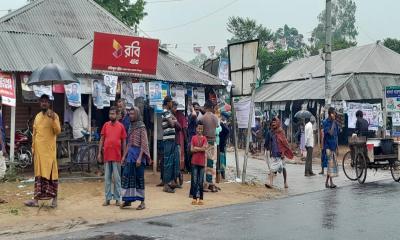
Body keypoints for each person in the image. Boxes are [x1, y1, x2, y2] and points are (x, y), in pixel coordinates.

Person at [24, 94, 61, 208]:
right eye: (42, 101)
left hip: (49, 153)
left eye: (46, 101)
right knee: (38, 177)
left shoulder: (54, 116)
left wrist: (53, 118)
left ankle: (54, 200)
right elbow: (35, 134)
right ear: (40, 103)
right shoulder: (37, 117)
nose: (44, 103)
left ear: (49, 104)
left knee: (52, 176)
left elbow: (58, 131)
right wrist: (33, 149)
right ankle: (36, 201)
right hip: (39, 154)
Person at [120, 107, 151, 210]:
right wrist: (124, 156)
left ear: (137, 114)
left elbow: (144, 143)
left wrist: (139, 158)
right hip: (130, 155)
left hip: (138, 155)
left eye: (133, 114)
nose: (131, 116)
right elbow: (128, 143)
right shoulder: (130, 126)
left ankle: (142, 202)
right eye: (130, 114)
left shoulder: (142, 127)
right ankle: (128, 200)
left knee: (139, 178)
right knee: (127, 176)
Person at [98, 107, 127, 206]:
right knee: (107, 179)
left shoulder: (121, 126)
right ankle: (107, 198)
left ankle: (118, 198)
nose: (111, 115)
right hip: (106, 156)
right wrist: (99, 153)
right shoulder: (105, 125)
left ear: (117, 115)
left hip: (117, 156)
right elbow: (102, 139)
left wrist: (124, 155)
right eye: (110, 114)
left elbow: (124, 142)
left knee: (117, 179)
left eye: (113, 114)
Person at [264, 117, 293, 189]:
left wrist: (283, 153)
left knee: (283, 168)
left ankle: (285, 182)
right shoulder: (270, 132)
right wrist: (268, 150)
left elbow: (284, 143)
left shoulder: (281, 132)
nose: (273, 124)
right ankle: (271, 184)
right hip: (274, 154)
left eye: (275, 122)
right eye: (272, 122)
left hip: (281, 154)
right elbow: (268, 142)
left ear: (278, 123)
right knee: (271, 169)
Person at [198, 100, 219, 192]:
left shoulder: (202, 118)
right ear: (212, 108)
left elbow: (199, 131)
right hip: (212, 142)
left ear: (206, 108)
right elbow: (217, 126)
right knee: (211, 164)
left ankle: (204, 184)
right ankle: (210, 183)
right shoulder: (215, 117)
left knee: (203, 163)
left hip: (204, 142)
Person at [161, 96, 179, 193]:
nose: (172, 104)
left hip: (171, 139)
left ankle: (171, 182)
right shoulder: (165, 112)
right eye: (171, 102)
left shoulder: (168, 112)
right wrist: (174, 121)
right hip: (168, 140)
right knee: (168, 161)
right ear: (168, 103)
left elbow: (174, 120)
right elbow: (172, 124)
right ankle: (166, 184)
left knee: (171, 160)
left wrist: (174, 120)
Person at [189, 123, 208, 205]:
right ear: (196, 129)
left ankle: (200, 198)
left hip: (202, 163)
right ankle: (194, 198)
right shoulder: (193, 138)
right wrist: (200, 149)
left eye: (201, 129)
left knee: (200, 182)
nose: (200, 130)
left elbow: (204, 149)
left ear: (202, 129)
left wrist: (196, 148)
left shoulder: (205, 138)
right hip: (194, 162)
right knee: (194, 181)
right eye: (198, 129)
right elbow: (191, 150)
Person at [322, 107, 339, 188]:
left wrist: (337, 147)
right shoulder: (325, 122)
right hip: (328, 146)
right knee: (330, 164)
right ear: (330, 113)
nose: (335, 114)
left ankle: (326, 182)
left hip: (334, 146)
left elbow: (336, 135)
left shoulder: (335, 123)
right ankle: (331, 182)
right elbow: (331, 133)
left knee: (331, 165)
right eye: (334, 113)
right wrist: (333, 122)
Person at [172, 101, 184, 187]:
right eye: (173, 107)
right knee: (173, 162)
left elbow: (180, 128)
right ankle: (175, 179)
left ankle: (177, 177)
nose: (175, 109)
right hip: (171, 141)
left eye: (175, 107)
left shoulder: (179, 115)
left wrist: (175, 121)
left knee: (176, 161)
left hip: (177, 141)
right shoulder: (168, 114)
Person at [186, 102, 201, 172]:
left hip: (197, 139)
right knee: (191, 156)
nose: (197, 111)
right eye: (195, 109)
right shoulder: (191, 116)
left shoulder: (199, 117)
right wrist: (192, 109)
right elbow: (194, 115)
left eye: (198, 109)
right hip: (191, 139)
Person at [219, 112, 230, 179]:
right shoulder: (222, 124)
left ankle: (222, 173)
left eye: (222, 116)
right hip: (220, 144)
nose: (221, 117)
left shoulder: (224, 124)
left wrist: (221, 124)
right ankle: (221, 173)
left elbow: (227, 131)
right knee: (220, 159)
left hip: (222, 144)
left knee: (222, 159)